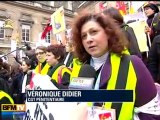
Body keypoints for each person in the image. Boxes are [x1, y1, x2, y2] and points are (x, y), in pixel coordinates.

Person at [71, 10, 160, 119]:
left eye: (94, 32)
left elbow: (152, 113)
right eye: (84, 36)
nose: (88, 39)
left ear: (108, 33)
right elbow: (75, 103)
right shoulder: (82, 68)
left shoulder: (132, 64)